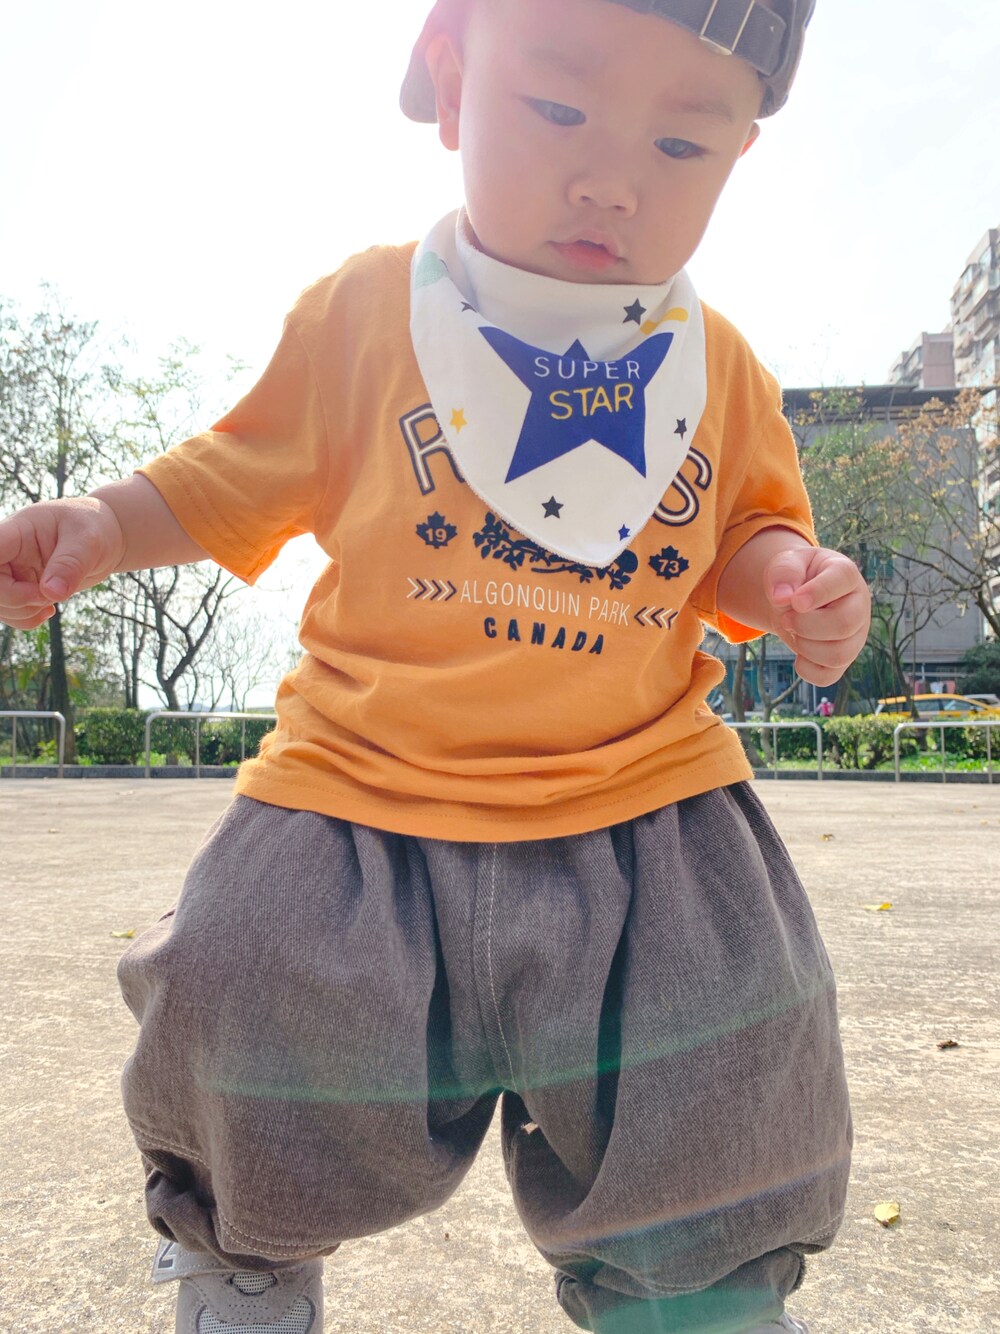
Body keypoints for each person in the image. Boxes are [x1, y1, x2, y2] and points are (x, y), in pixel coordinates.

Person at [0, 2, 870, 1330]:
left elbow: (744, 532)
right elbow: (229, 473)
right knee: (235, 978)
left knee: (734, 1039)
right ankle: (245, 1261)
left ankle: (700, 1299)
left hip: (640, 797)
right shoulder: (367, 313)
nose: (612, 180)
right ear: (454, 84)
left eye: (682, 146)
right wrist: (107, 524)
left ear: (742, 152)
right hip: (358, 791)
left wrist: (795, 581)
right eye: (561, 110)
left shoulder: (720, 368)